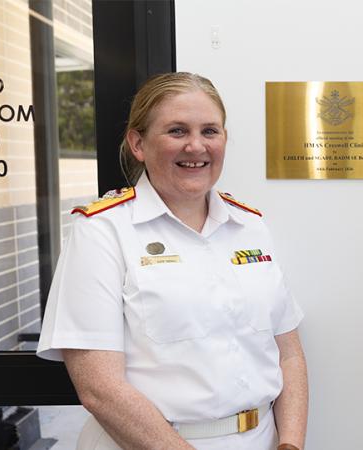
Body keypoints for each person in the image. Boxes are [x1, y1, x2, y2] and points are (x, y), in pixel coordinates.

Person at [37, 73, 308, 450]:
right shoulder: (102, 231)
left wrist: (291, 444)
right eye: (177, 131)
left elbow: (289, 354)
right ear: (138, 143)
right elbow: (99, 388)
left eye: (210, 131)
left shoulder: (251, 227)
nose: (196, 146)